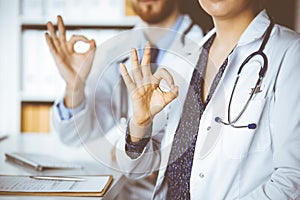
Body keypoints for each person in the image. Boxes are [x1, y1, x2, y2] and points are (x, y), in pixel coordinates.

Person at [116, 0, 300, 199]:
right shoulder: (187, 58)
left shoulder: (289, 53)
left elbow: (292, 180)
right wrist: (140, 125)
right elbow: (139, 169)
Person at [45, 0, 204, 199]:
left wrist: (135, 156)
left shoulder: (202, 47)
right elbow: (75, 134)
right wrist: (74, 87)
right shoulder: (118, 48)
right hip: (123, 191)